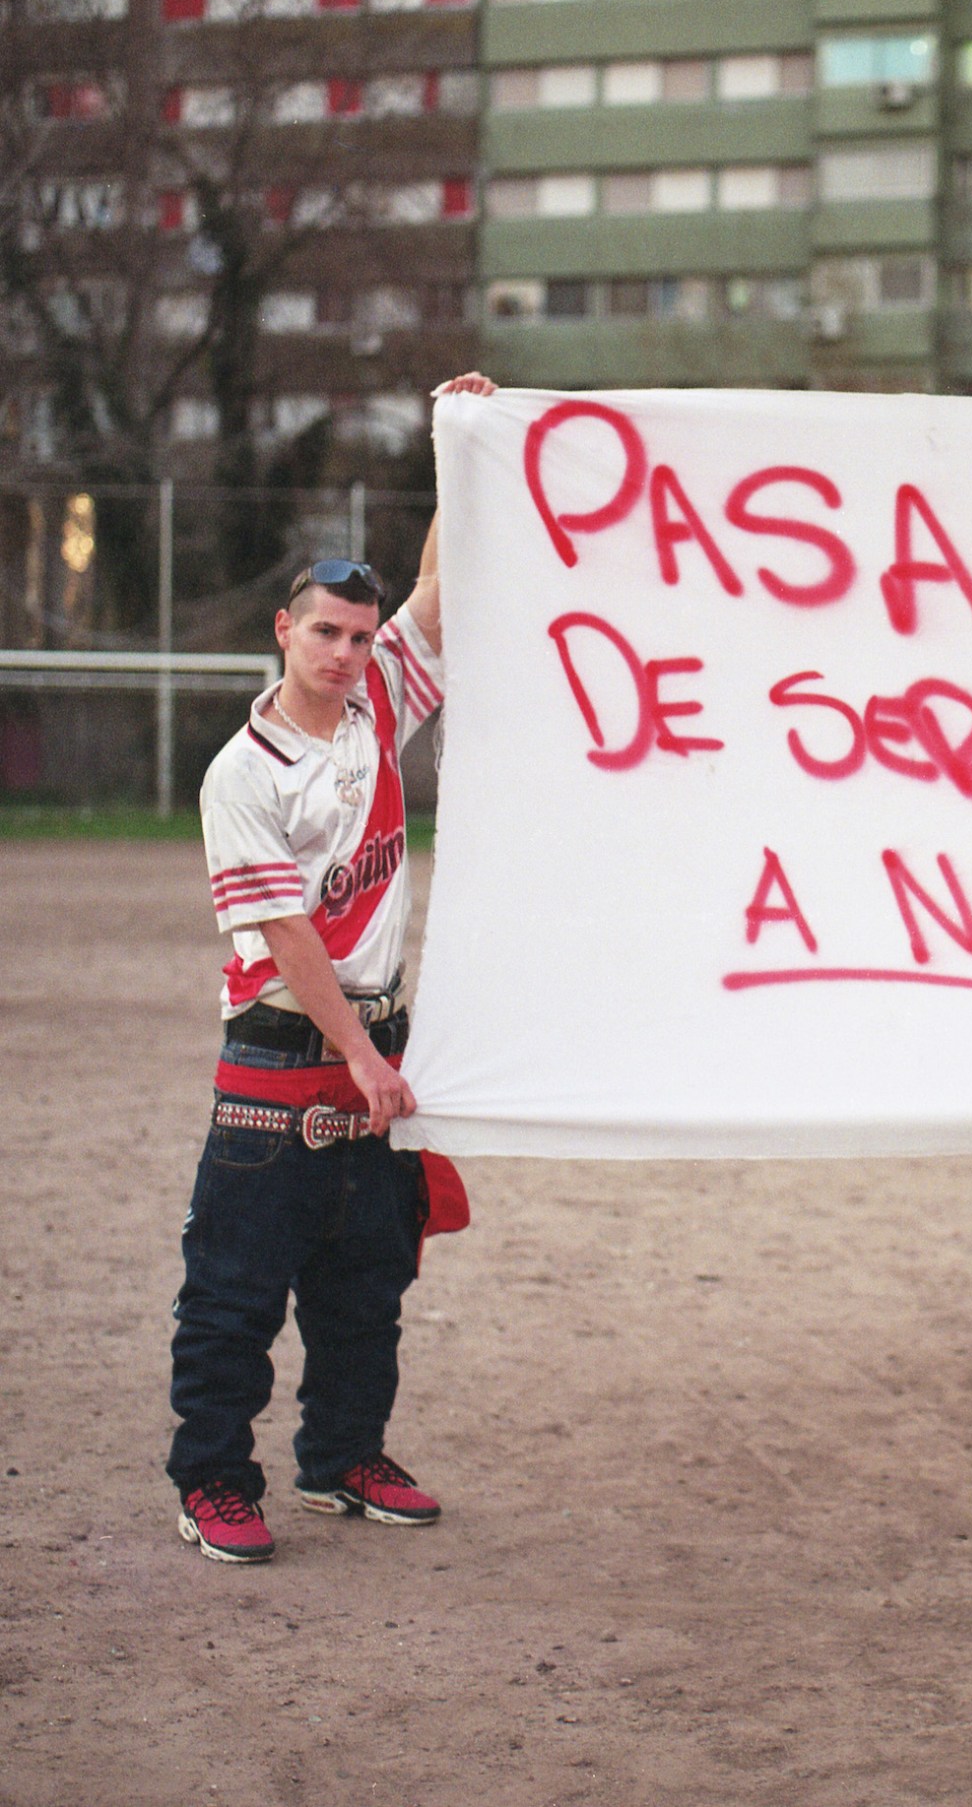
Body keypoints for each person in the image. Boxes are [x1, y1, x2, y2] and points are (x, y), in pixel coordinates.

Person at [167, 374, 494, 1563]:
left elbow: (442, 597)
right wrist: (358, 1052)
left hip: (373, 1057)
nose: (351, 653)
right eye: (328, 634)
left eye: (361, 637)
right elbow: (290, 935)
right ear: (284, 632)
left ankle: (340, 1458)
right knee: (236, 1295)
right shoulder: (241, 773)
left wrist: (452, 442)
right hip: (283, 1061)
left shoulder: (375, 706)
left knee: (364, 1288)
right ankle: (211, 1480)